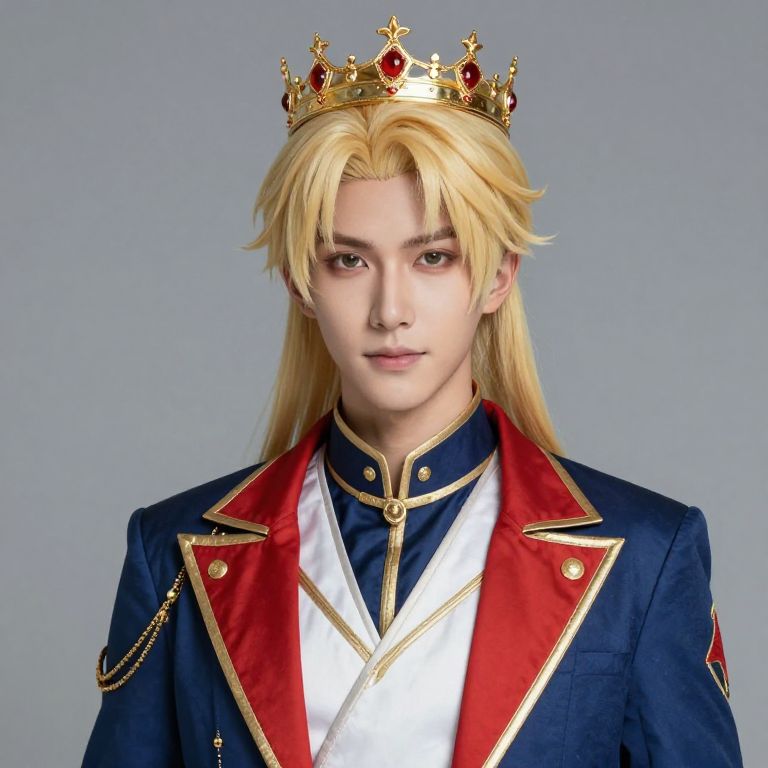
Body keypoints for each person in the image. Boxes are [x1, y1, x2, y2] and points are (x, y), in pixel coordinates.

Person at [82, 16, 743, 768]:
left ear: (498, 276)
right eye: (348, 261)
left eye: (433, 257)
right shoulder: (173, 554)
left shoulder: (643, 556)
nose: (390, 310)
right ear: (300, 283)